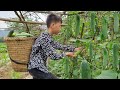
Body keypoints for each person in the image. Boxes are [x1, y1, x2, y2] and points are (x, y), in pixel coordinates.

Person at [28, 13, 81, 79]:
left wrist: (74, 49)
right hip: (36, 68)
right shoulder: (44, 38)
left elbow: (59, 46)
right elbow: (53, 56)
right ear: (52, 25)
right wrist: (66, 54)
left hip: (39, 68)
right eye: (59, 26)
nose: (60, 28)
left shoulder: (48, 37)